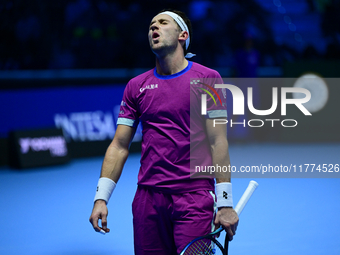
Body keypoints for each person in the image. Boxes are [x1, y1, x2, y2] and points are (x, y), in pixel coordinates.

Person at [89, 9, 239, 255]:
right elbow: (119, 146)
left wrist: (225, 202)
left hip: (194, 198)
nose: (153, 28)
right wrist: (101, 198)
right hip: (148, 200)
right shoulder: (136, 87)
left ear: (183, 35)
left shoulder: (209, 79)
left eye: (162, 23)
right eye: (150, 25)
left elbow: (217, 141)